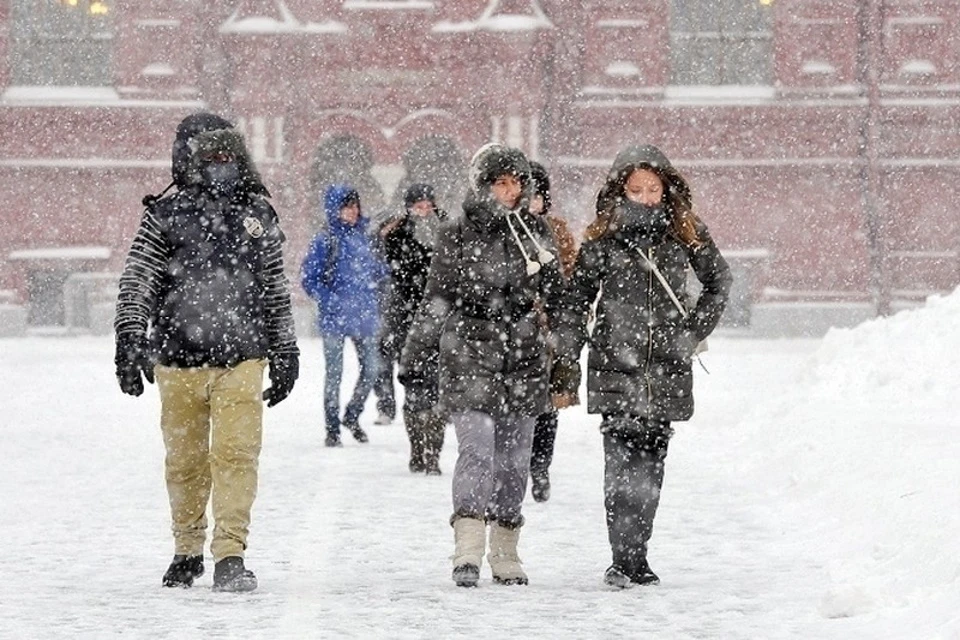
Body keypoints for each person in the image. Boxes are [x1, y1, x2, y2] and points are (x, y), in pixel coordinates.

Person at [114, 112, 300, 593]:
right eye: (210, 157)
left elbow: (273, 288)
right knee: (185, 461)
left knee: (236, 455)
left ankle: (231, 553)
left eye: (226, 156)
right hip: (178, 359)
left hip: (242, 357)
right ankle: (186, 548)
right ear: (190, 160)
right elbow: (139, 278)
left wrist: (285, 349)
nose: (220, 165)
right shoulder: (166, 215)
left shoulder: (257, 215)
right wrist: (129, 338)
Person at [553, 144, 732, 589]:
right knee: (620, 464)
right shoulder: (603, 239)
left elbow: (719, 281)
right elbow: (576, 303)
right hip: (616, 362)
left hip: (666, 366)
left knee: (651, 464)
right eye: (638, 189)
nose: (648, 196)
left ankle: (639, 554)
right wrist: (566, 362)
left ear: (667, 188)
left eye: (654, 188)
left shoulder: (684, 232)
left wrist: (692, 331)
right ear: (621, 191)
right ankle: (622, 557)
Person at [399, 144, 565, 587]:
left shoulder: (537, 234)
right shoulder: (457, 233)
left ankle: (506, 548)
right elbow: (437, 299)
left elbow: (560, 300)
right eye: (500, 183)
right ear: (483, 185)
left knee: (514, 460)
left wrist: (565, 351)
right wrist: (415, 354)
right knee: (477, 449)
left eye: (516, 183)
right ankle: (467, 548)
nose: (509, 192)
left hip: (525, 357)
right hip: (469, 352)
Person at [301, 185, 387, 447]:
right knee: (334, 374)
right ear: (334, 209)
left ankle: (351, 414)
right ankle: (332, 427)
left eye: (355, 206)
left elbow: (375, 271)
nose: (352, 211)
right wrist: (331, 301)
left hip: (364, 316)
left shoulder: (365, 237)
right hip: (335, 318)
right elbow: (309, 279)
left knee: (372, 369)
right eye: (346, 206)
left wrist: (383, 273)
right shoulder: (325, 239)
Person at [377, 183, 448, 474]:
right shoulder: (398, 235)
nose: (423, 211)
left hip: (440, 322)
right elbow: (387, 257)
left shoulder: (446, 235)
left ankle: (433, 454)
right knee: (414, 390)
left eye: (427, 205)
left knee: (438, 394)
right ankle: (418, 449)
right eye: (418, 206)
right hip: (407, 323)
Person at [526, 161, 579, 503]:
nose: (532, 203)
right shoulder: (505, 230)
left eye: (537, 196)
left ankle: (541, 466)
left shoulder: (557, 230)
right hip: (514, 329)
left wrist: (558, 309)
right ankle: (519, 462)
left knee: (548, 404)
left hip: (549, 331)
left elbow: (571, 271)